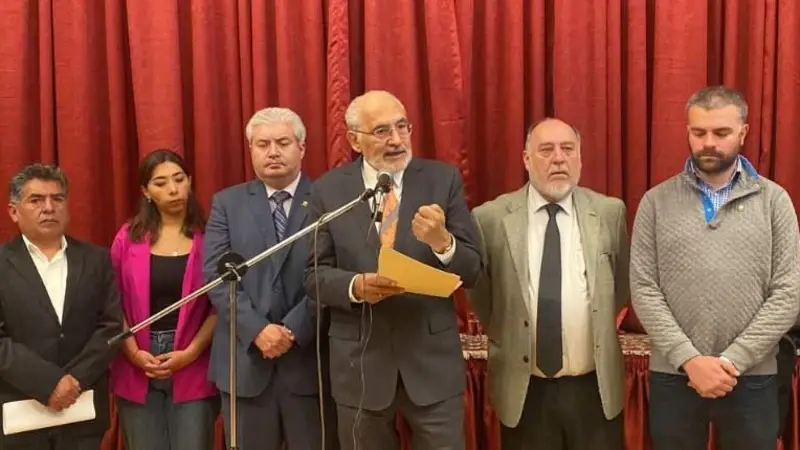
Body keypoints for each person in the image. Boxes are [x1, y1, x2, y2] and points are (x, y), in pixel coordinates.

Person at [304, 90, 482, 450]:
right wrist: (354, 286)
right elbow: (313, 276)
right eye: (382, 131)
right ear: (354, 140)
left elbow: (474, 270)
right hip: (360, 366)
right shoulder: (329, 191)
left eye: (402, 127)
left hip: (431, 363)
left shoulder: (441, 179)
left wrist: (443, 243)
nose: (397, 140)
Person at [630, 85, 800, 450]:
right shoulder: (655, 202)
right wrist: (689, 360)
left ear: (743, 132)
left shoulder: (775, 202)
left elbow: (789, 293)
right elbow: (643, 288)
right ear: (687, 132)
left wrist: (732, 361)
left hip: (752, 376)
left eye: (721, 132)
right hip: (675, 374)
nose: (708, 142)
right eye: (699, 132)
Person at [467, 118, 628, 449]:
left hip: (594, 389)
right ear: (526, 159)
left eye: (568, 149)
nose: (558, 158)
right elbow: (483, 297)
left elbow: (622, 285)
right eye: (546, 150)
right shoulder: (490, 218)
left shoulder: (609, 212)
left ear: (580, 158)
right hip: (525, 391)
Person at [204, 107, 325, 450]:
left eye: (283, 143)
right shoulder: (227, 203)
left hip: (310, 365)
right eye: (263, 144)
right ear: (251, 150)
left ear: (302, 147)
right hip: (245, 365)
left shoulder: (327, 199)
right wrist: (257, 329)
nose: (273, 152)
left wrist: (291, 329)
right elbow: (216, 275)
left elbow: (332, 272)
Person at [0, 164, 123, 450]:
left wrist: (73, 381)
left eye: (57, 199)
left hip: (82, 411)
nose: (48, 208)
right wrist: (49, 383)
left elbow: (111, 327)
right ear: (14, 212)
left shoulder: (96, 260)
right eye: (36, 200)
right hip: (19, 412)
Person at [109, 149, 218, 450]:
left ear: (190, 181)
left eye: (179, 179)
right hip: (136, 361)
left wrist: (191, 352)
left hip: (194, 361)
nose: (173, 189)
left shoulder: (211, 235)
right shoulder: (127, 238)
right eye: (160, 183)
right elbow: (111, 302)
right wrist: (133, 352)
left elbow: (220, 305)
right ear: (146, 191)